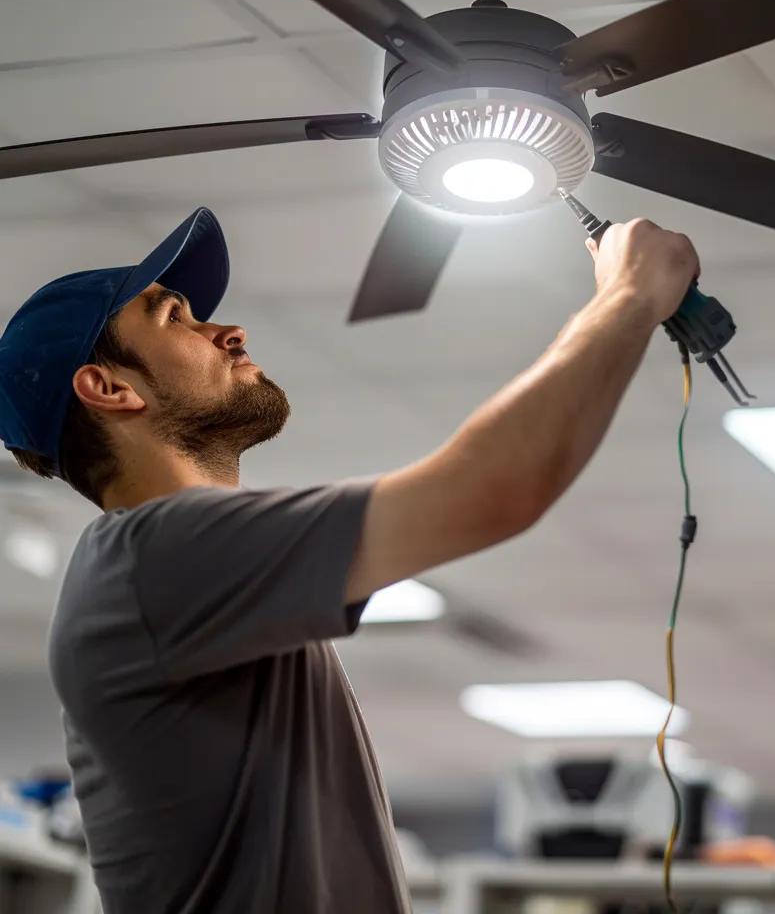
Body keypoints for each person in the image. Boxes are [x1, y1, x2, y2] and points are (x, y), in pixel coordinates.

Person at [0, 205, 700, 914]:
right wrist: (630, 294)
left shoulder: (179, 569)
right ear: (110, 388)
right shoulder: (151, 559)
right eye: (175, 318)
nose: (229, 330)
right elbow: (495, 488)